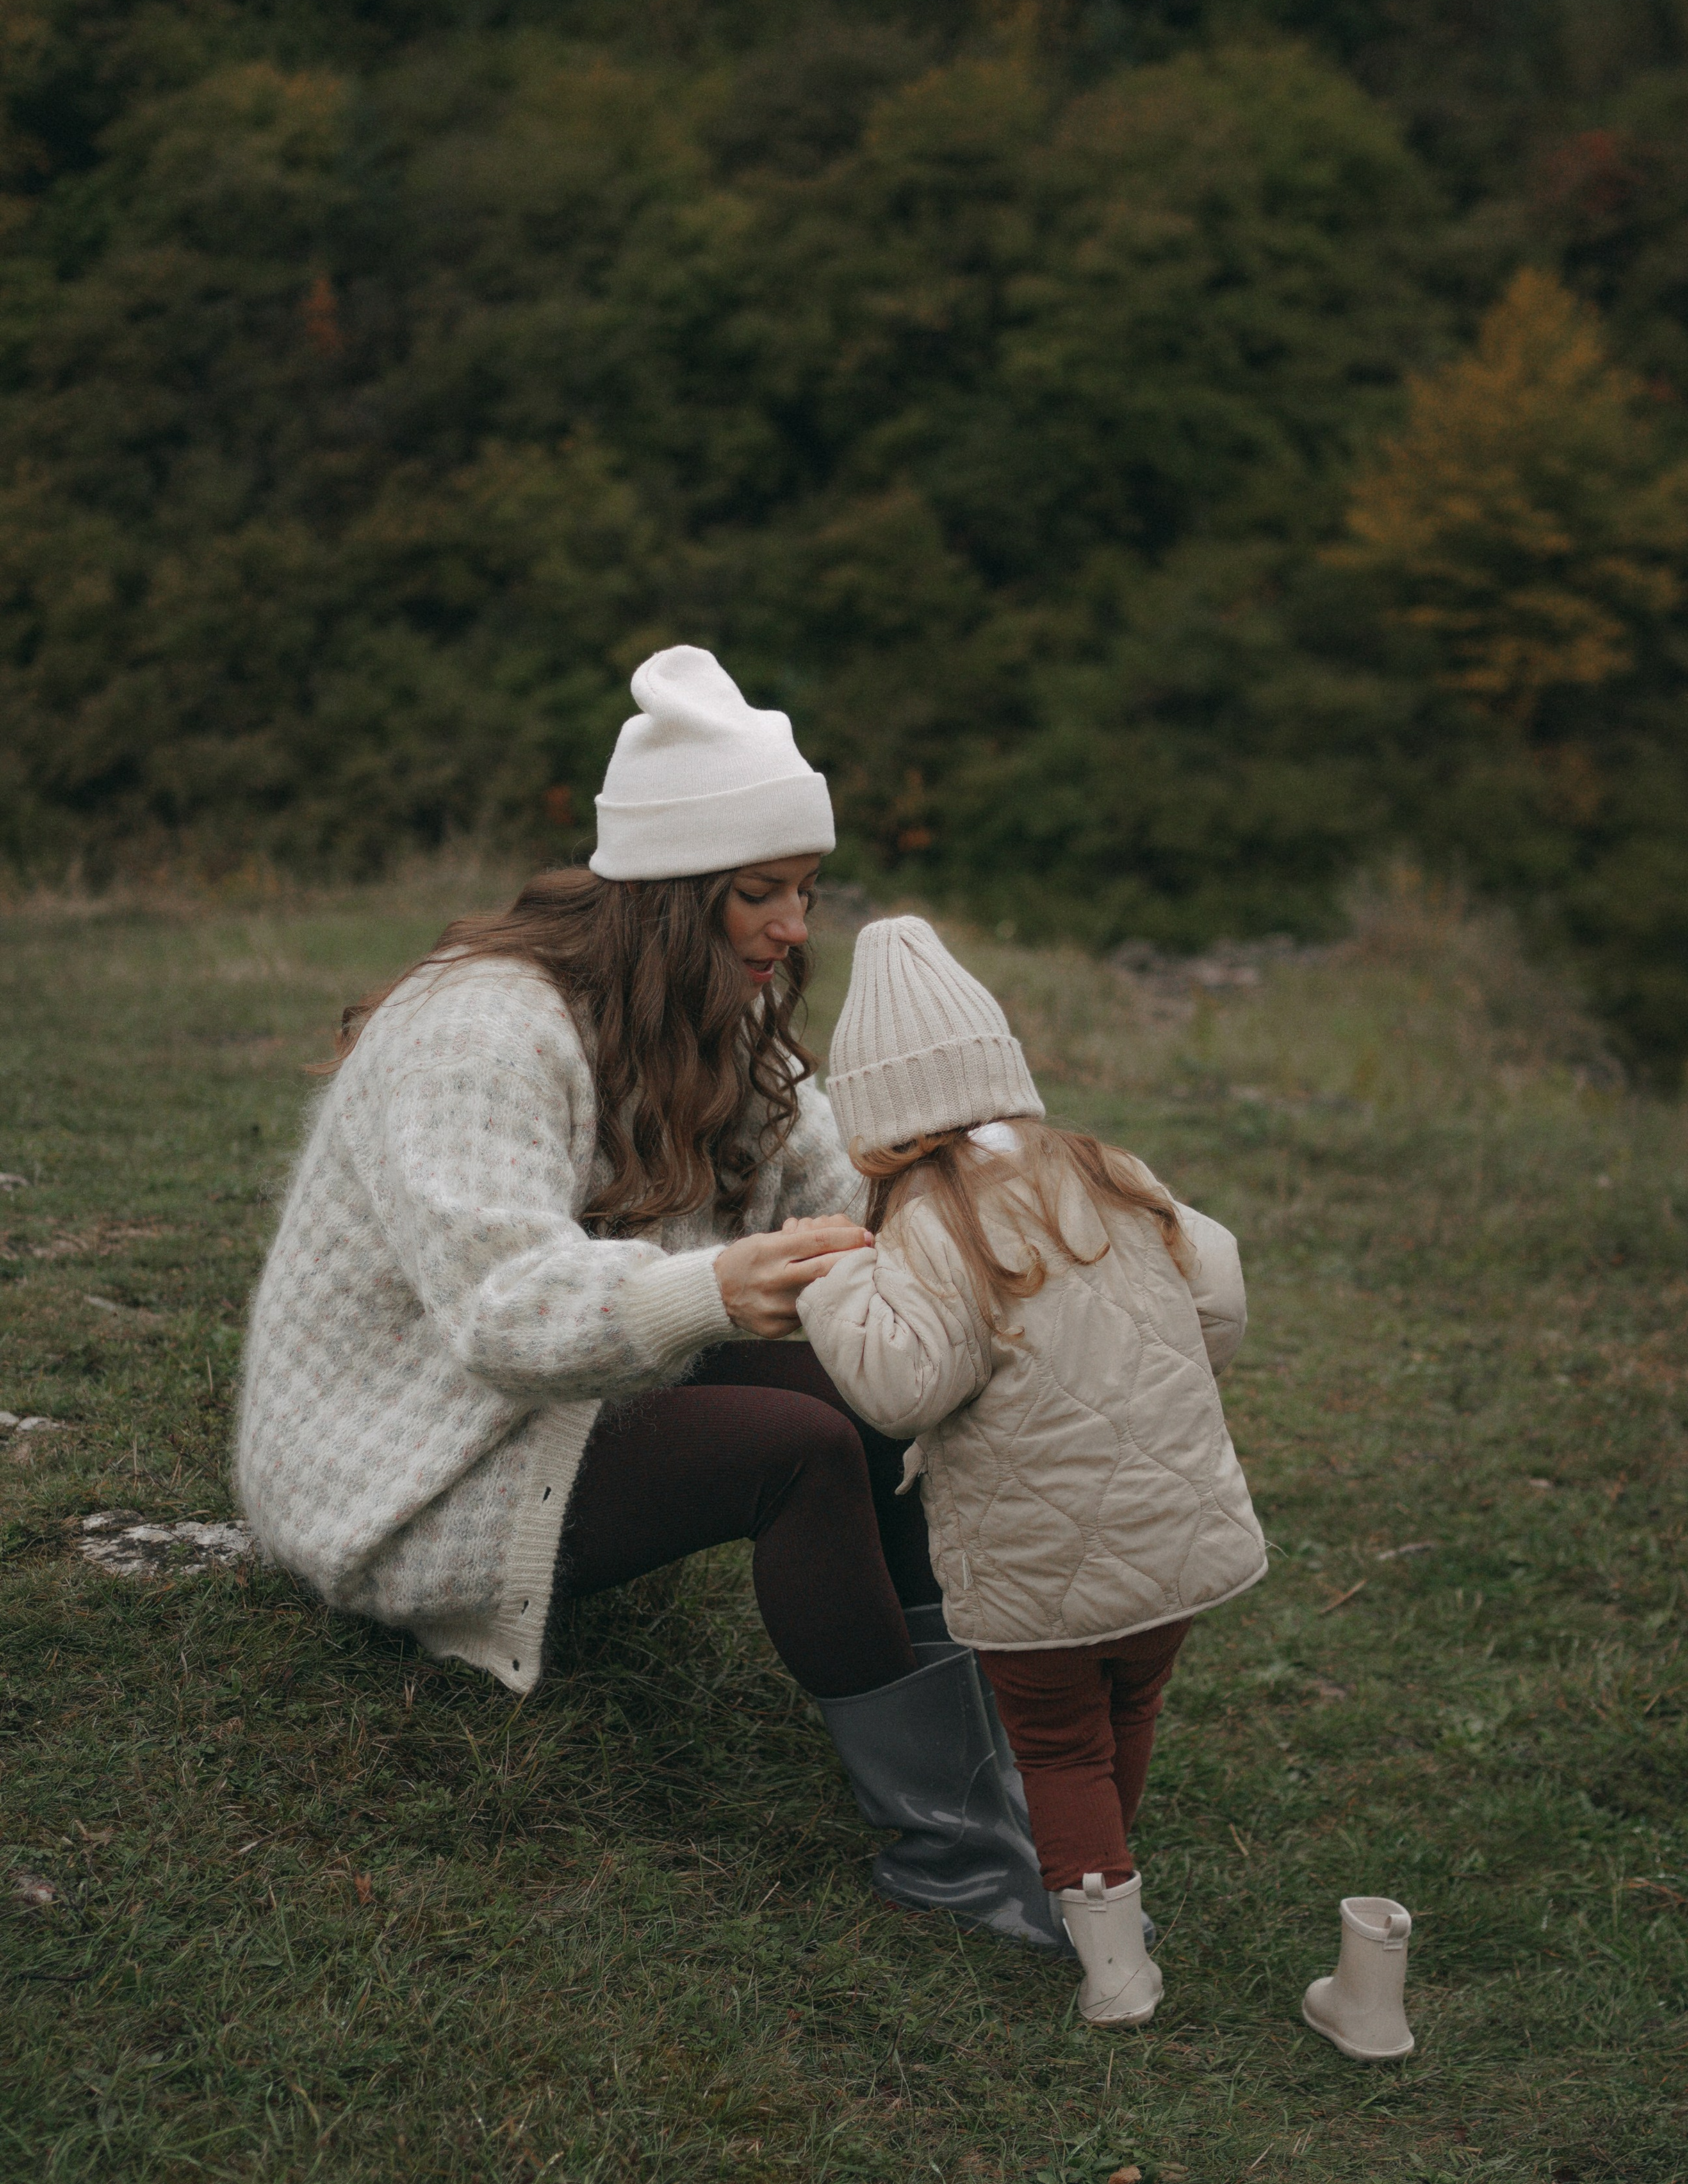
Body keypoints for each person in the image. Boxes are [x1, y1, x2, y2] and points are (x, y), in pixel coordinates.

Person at [236, 647, 1065, 1950]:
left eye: (806, 890)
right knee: (795, 1451)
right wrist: (717, 1285)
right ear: (674, 898)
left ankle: (998, 1766)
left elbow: (844, 1169)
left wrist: (1022, 1216)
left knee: (882, 1385)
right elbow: (501, 1308)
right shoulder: (483, 1031)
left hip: (576, 1393)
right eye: (762, 893)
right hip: (414, 1456)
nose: (798, 926)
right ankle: (952, 1857)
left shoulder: (713, 1015)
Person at [797, 916, 1268, 2026]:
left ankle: (1115, 1966)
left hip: (1035, 1563)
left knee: (1056, 1745)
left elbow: (902, 1390)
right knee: (1129, 1705)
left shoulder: (925, 1225)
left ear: (875, 1125)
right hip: (1172, 1539)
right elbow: (1223, 1285)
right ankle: (1112, 1859)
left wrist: (830, 1283)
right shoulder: (1110, 1170)